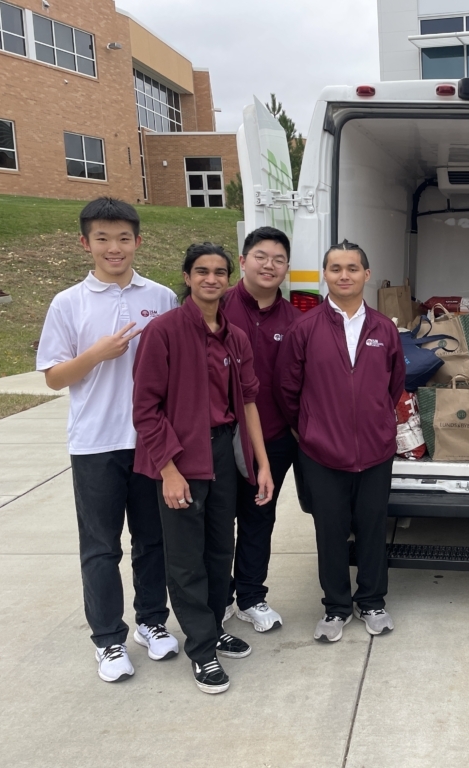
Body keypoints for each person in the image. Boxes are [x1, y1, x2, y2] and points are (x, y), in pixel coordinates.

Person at [37, 197, 180, 683]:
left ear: (138, 241)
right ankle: (108, 640)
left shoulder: (161, 298)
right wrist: (96, 354)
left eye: (123, 238)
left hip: (150, 443)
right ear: (85, 243)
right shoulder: (68, 302)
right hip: (95, 443)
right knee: (101, 546)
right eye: (103, 238)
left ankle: (152, 623)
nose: (113, 248)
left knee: (152, 540)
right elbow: (55, 377)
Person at [132, 243, 274, 695]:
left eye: (218, 272)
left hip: (223, 458)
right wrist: (168, 470)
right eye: (201, 271)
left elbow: (249, 402)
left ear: (228, 279)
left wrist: (262, 465)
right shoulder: (164, 331)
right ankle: (201, 649)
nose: (211, 279)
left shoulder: (235, 337)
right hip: (181, 459)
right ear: (187, 277)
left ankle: (212, 627)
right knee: (186, 558)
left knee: (219, 550)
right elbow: (145, 408)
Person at [277, 240, 405, 643]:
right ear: (325, 275)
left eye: (352, 268)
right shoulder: (305, 328)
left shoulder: (384, 329)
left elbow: (393, 386)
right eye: (335, 268)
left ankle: (372, 601)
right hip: (321, 453)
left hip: (375, 451)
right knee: (329, 531)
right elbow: (287, 390)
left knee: (371, 527)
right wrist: (311, 431)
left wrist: (376, 425)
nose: (344, 275)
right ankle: (335, 607)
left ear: (367, 275)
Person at [221, 226, 303, 633]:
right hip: (217, 438)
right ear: (242, 260)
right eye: (261, 256)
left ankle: (251, 596)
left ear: (287, 268)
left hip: (273, 439)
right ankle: (218, 597)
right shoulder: (215, 306)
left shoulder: (296, 321)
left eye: (278, 259)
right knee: (217, 522)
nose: (269, 265)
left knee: (259, 518)